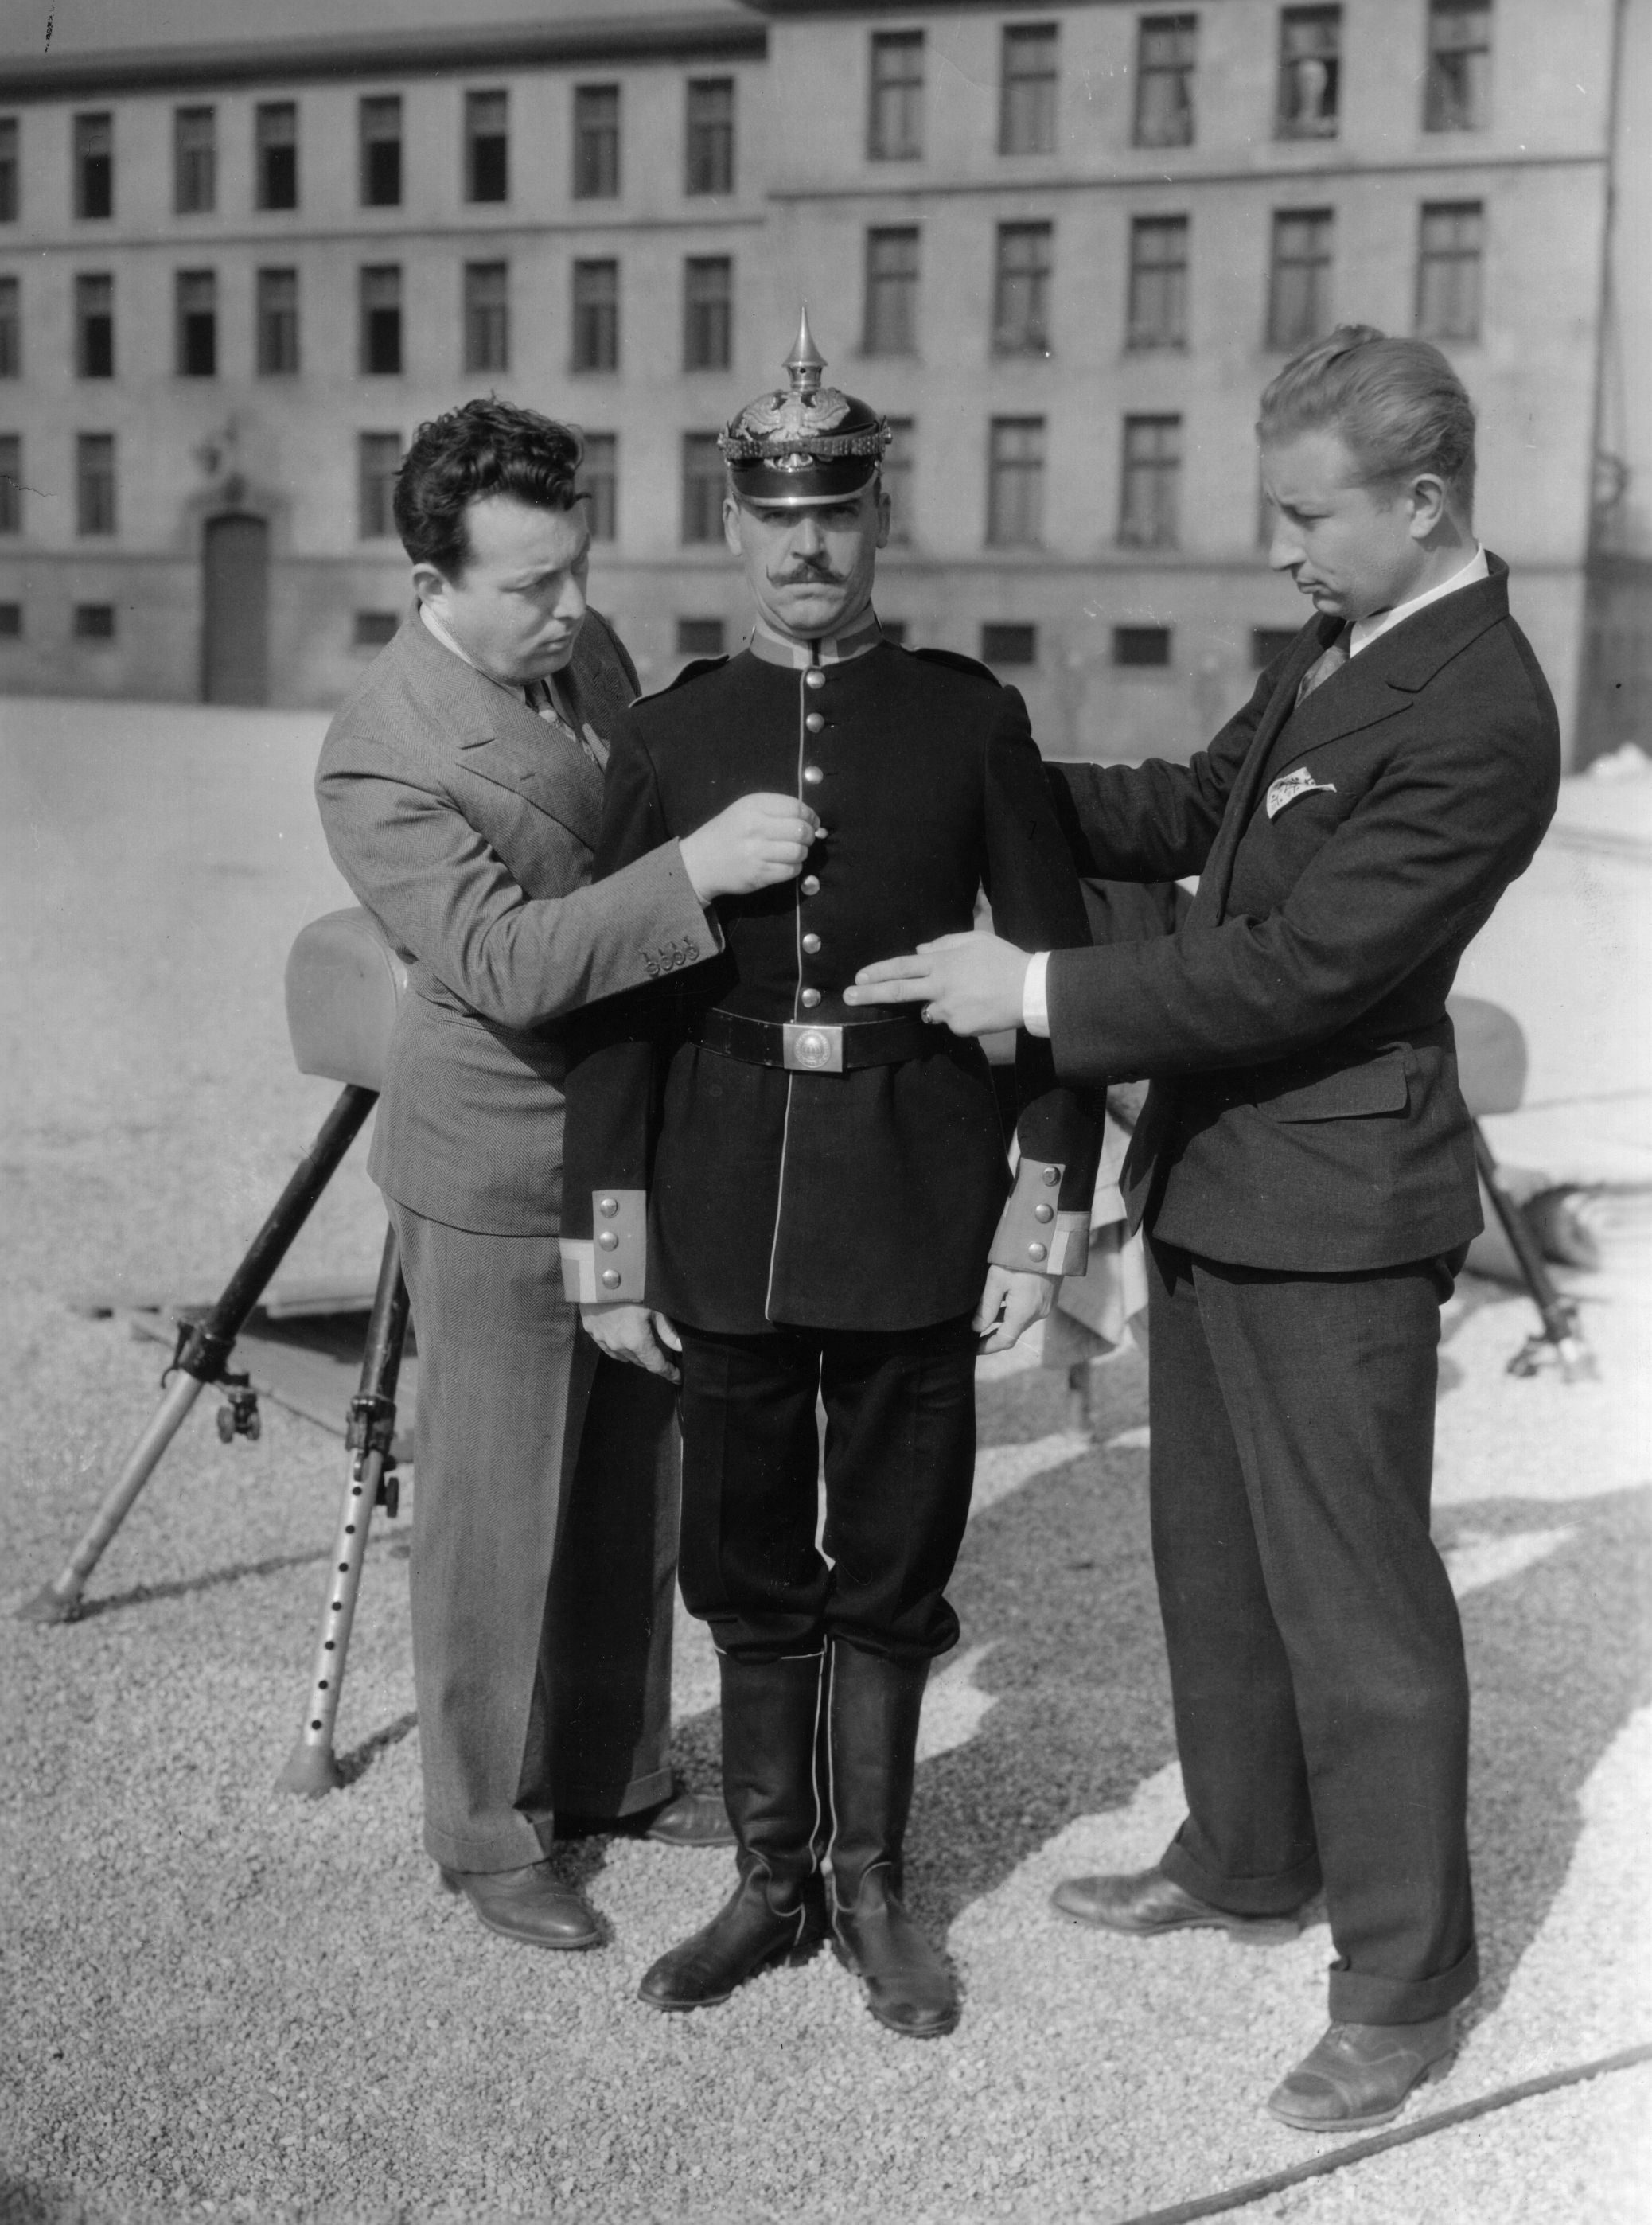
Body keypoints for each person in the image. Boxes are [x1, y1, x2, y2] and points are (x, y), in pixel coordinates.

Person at [850, 329, 1561, 2122]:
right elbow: (1188, 815)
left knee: (1360, 1605)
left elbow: (1307, 963)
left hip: (1338, 1201)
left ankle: (1404, 1978)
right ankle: (1249, 1856)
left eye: (1309, 514)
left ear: (1423, 502)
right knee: (1219, 1564)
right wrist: (983, 771)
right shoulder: (1350, 641)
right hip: (1228, 1182)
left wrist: (1038, 986)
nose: (1282, 550)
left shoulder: (1483, 708)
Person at [560, 315, 1100, 2037]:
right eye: (778, 517)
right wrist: (615, 1228)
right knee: (741, 1554)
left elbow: (1059, 963)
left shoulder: (965, 718)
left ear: (881, 521)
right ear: (735, 526)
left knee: (893, 1551)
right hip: (718, 1190)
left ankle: (873, 1888)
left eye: (840, 514)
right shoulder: (672, 733)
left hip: (915, 1184)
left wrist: (1043, 1209)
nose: (808, 547)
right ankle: (769, 1878)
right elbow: (621, 1006)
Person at [315, 398, 823, 1952]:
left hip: (622, 1142)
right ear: (431, 584)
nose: (575, 608)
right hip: (496, 1164)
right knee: (492, 1506)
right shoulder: (381, 756)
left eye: (578, 568)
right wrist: (695, 877)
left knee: (626, 1475)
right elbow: (501, 961)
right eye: (532, 584)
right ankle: (482, 1827)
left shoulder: (578, 653)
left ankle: (606, 1767)